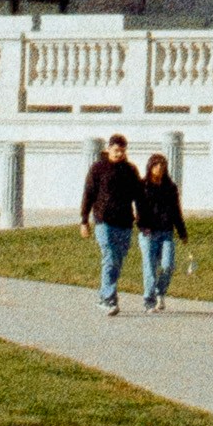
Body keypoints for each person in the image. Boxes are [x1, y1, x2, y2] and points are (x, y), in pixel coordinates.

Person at [77, 131, 137, 313]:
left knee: (117, 260)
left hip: (125, 222)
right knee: (110, 258)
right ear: (108, 149)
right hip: (104, 221)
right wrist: (84, 220)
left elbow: (139, 195)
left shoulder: (130, 170)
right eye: (116, 150)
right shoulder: (98, 168)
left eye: (122, 150)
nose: (119, 154)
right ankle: (109, 299)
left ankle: (105, 295)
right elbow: (88, 194)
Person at [133, 147, 189, 310]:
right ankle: (149, 300)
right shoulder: (142, 186)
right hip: (148, 233)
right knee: (149, 267)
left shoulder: (170, 187)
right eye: (156, 165)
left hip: (166, 232)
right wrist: (142, 225)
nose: (159, 169)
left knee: (168, 265)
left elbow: (176, 211)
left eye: (162, 166)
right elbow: (139, 208)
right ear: (150, 167)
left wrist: (182, 232)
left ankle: (160, 292)